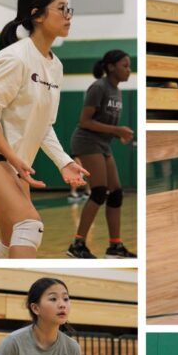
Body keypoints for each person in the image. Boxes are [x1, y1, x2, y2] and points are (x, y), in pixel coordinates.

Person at [0, 0, 89, 259]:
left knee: (8, 246)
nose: (68, 15)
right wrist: (12, 158)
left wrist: (64, 161)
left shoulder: (56, 66)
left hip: (14, 163)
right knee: (30, 226)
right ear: (37, 15)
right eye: (61, 8)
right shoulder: (14, 57)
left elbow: (44, 126)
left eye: (70, 9)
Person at [66, 50, 136, 259]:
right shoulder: (98, 87)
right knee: (99, 191)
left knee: (116, 193)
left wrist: (117, 134)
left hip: (103, 144)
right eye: (125, 65)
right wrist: (117, 131)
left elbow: (105, 123)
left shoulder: (117, 91)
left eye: (130, 66)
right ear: (111, 67)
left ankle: (115, 246)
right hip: (87, 142)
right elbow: (85, 121)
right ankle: (77, 245)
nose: (129, 70)